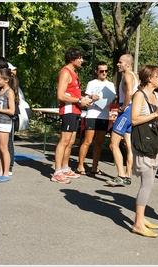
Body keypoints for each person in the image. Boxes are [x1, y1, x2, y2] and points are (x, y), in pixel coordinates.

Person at [131, 65, 158, 238]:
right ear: (149, 78)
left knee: (150, 181)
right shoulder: (139, 95)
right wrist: (154, 115)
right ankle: (138, 223)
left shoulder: (155, 95)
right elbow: (134, 119)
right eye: (157, 76)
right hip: (143, 143)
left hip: (153, 141)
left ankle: (142, 218)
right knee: (147, 183)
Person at [51, 48, 91, 184]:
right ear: (72, 58)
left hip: (75, 110)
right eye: (79, 57)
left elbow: (73, 94)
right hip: (68, 110)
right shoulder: (65, 72)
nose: (82, 60)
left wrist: (86, 98)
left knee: (71, 141)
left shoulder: (74, 73)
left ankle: (65, 167)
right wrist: (80, 101)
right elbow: (60, 95)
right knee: (64, 140)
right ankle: (57, 172)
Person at [76, 62, 115, 175]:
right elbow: (86, 98)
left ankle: (94, 167)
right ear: (96, 72)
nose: (104, 73)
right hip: (92, 114)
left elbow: (112, 99)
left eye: (106, 71)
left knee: (99, 142)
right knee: (88, 141)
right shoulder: (92, 83)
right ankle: (80, 166)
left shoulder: (110, 85)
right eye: (101, 71)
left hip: (104, 115)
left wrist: (110, 100)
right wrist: (91, 97)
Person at [106, 54, 139, 186]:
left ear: (128, 64)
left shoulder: (127, 76)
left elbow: (130, 93)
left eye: (120, 62)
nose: (117, 64)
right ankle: (127, 176)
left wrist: (123, 107)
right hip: (132, 111)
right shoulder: (135, 75)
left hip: (126, 112)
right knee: (128, 146)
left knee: (113, 144)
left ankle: (120, 175)